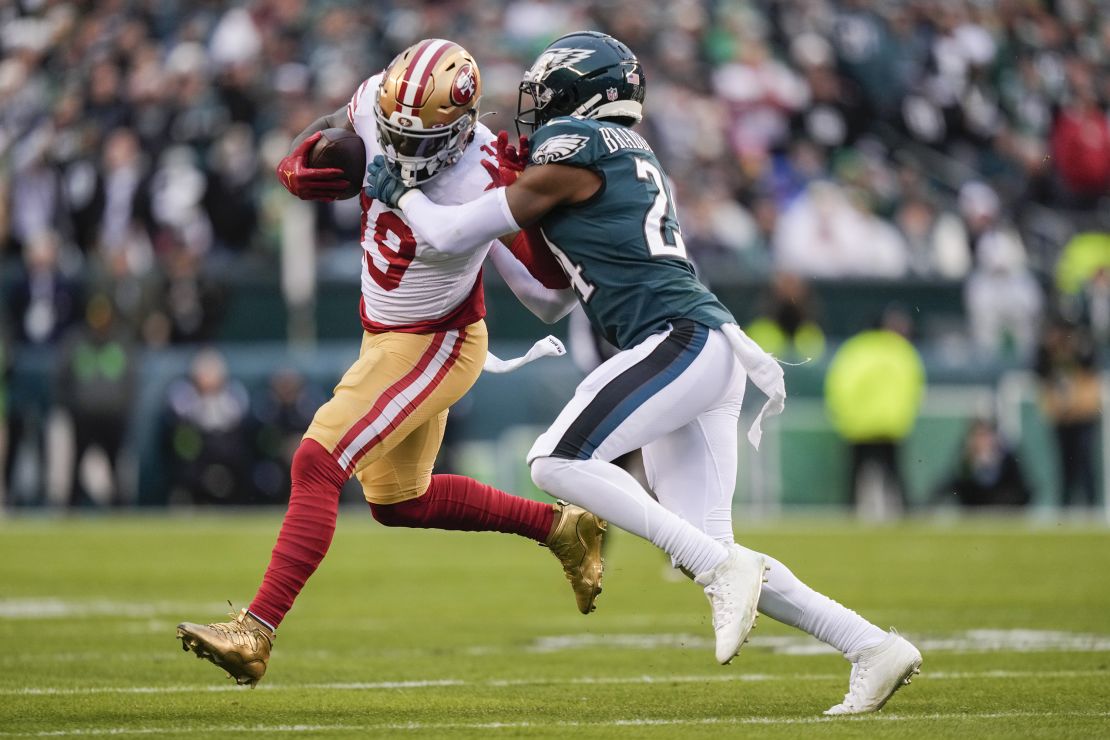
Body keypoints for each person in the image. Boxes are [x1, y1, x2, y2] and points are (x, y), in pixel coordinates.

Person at [365, 31, 922, 714]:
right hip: (701, 347)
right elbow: (547, 299)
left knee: (554, 462)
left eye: (546, 95)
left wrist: (399, 191)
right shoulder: (613, 152)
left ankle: (726, 572)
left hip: (677, 339)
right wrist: (493, 229)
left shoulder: (581, 143)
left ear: (585, 95)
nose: (534, 110)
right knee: (706, 548)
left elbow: (447, 235)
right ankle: (870, 645)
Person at [176, 40, 605, 687]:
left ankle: (255, 631)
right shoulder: (382, 102)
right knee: (400, 501)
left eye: (418, 138)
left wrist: (538, 224)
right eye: (393, 131)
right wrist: (303, 161)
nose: (399, 147)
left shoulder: (485, 169)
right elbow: (324, 138)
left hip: (436, 342)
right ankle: (559, 527)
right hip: (385, 334)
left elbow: (546, 297)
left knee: (317, 459)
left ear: (460, 128)